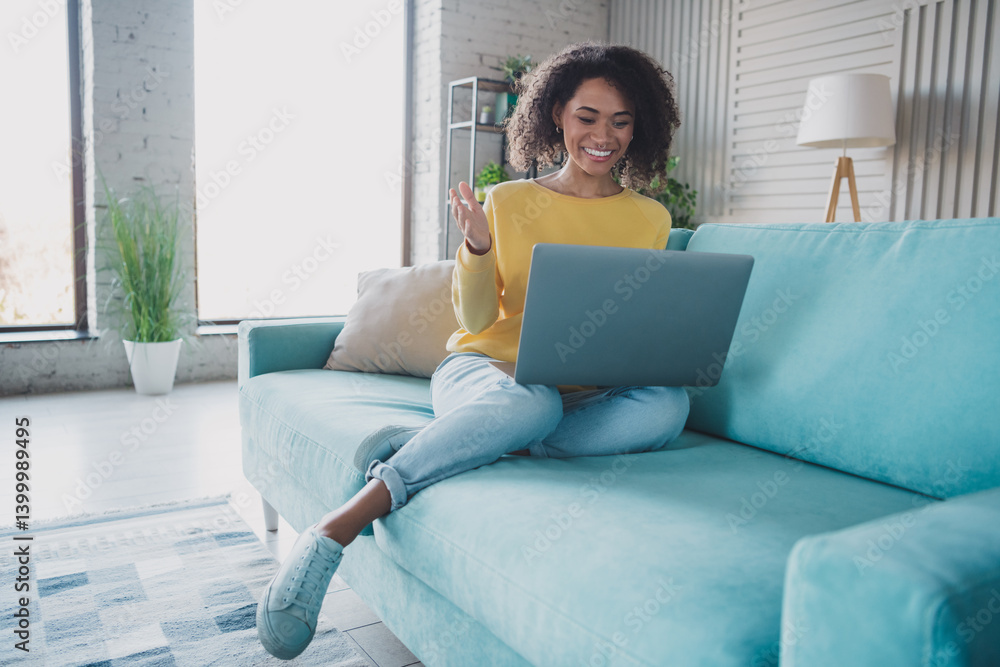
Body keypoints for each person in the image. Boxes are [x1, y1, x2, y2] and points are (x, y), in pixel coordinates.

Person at [256, 40, 689, 660]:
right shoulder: (509, 201)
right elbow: (478, 319)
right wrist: (479, 249)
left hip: (578, 392)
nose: (604, 135)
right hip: (485, 370)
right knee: (530, 402)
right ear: (557, 115)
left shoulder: (649, 218)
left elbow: (630, 323)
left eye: (620, 121)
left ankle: (476, 438)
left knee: (666, 407)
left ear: (638, 127)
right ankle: (338, 525)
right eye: (587, 116)